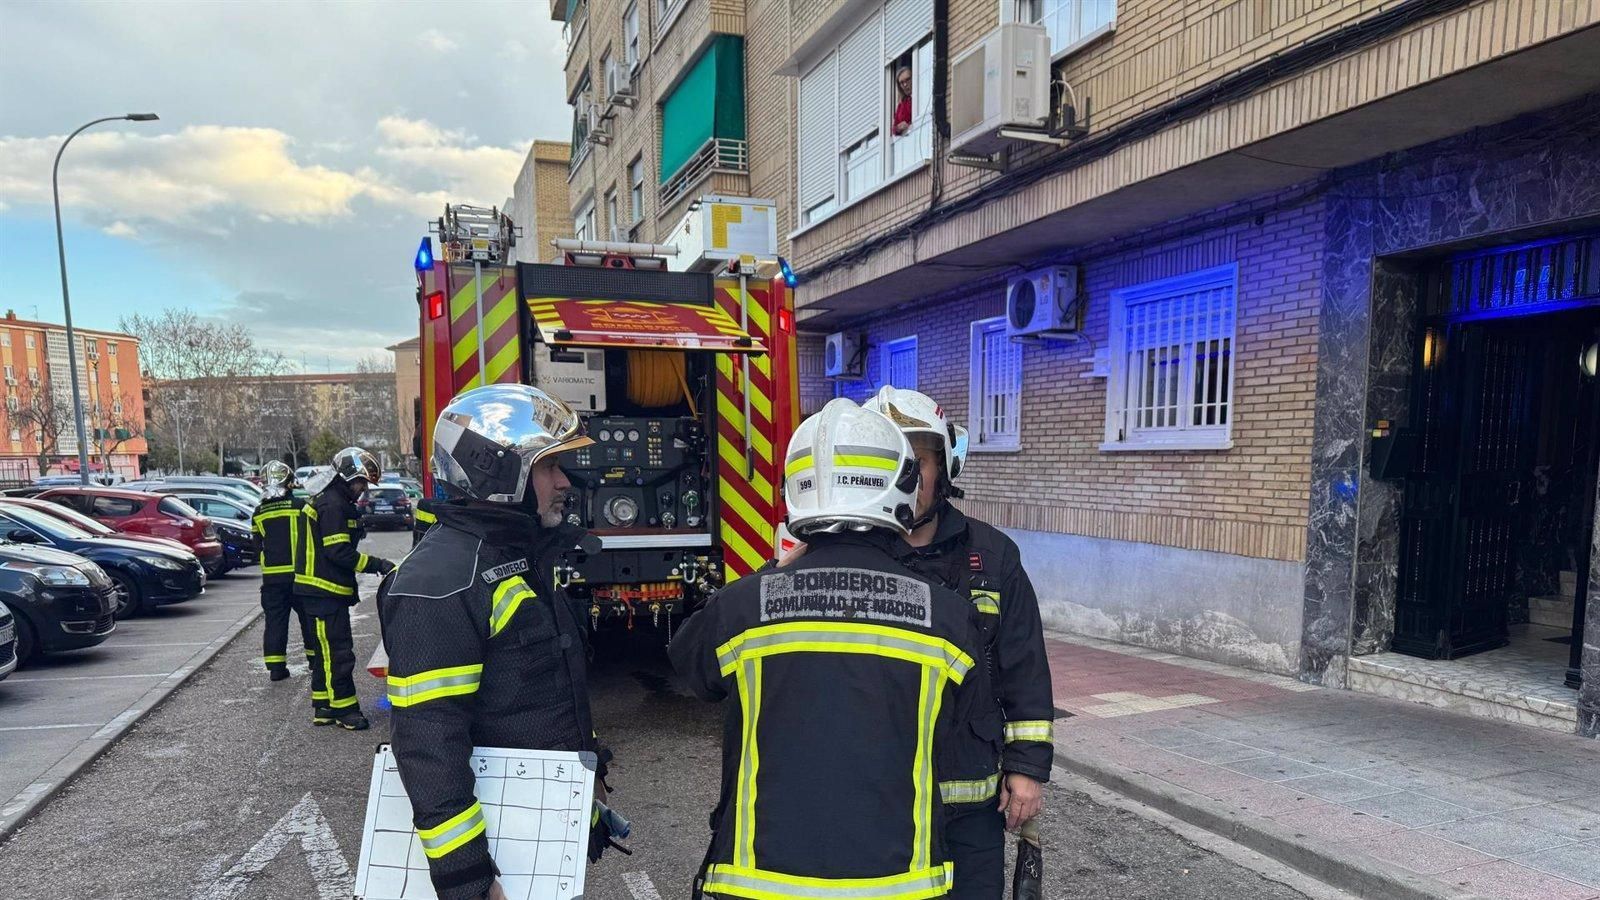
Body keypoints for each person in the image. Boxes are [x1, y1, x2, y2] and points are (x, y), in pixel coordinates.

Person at [671, 398, 986, 899]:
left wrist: (774, 575)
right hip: (898, 883)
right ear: (901, 488)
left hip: (761, 882)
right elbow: (959, 727)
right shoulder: (948, 617)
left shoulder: (743, 607)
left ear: (796, 492)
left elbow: (689, 666)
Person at [380, 384, 618, 900]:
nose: (564, 483)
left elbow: (535, 693)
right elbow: (428, 742)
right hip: (500, 859)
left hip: (538, 829)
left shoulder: (517, 553)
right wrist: (468, 879)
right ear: (498, 471)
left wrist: (586, 772)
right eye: (549, 467)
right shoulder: (441, 582)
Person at [863, 386, 1055, 900]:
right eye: (890, 459)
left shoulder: (993, 557)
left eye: (917, 460)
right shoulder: (845, 558)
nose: (905, 476)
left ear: (944, 468)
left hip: (969, 805)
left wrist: (1028, 768)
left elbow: (1025, 669)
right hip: (875, 799)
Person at [292, 446, 395, 731]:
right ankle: (345, 711)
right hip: (323, 591)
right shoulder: (334, 504)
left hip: (320, 591)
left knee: (325, 651)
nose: (363, 489)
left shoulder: (331, 499)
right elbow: (338, 551)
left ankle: (324, 707)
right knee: (338, 652)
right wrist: (378, 564)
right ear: (349, 475)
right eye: (361, 482)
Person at [251, 460, 302, 683]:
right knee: (309, 621)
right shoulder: (300, 506)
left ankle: (276, 668)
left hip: (272, 579)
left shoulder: (259, 512)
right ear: (290, 483)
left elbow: (256, 545)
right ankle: (314, 661)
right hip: (300, 575)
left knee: (275, 623)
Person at [893, 65, 914, 135]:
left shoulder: (921, 96)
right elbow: (893, 129)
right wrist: (899, 128)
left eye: (907, 80)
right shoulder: (901, 104)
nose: (905, 84)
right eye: (901, 83)